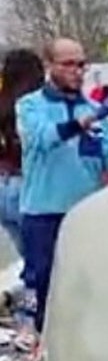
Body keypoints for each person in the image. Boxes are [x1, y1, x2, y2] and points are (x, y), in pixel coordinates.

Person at [16, 39, 108, 334]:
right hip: (42, 212)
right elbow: (41, 139)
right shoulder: (29, 105)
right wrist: (81, 124)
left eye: (81, 64)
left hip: (84, 214)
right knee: (38, 281)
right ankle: (31, 339)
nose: (77, 71)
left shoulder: (95, 109)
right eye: (68, 64)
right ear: (50, 66)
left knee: (82, 285)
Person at [0, 49, 45, 255]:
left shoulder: (3, 101)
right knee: (44, 257)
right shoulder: (36, 105)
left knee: (24, 251)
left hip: (3, 184)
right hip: (30, 185)